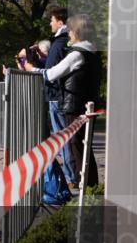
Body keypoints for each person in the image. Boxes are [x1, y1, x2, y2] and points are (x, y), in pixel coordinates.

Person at [26, 15, 102, 188]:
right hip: (87, 105)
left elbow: (51, 74)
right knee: (85, 149)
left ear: (77, 31)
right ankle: (91, 188)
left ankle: (86, 188)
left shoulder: (77, 54)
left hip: (75, 106)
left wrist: (32, 69)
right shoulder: (93, 52)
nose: (69, 34)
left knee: (77, 149)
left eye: (70, 31)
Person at [42, 8, 74, 183]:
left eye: (52, 20)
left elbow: (51, 71)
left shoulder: (60, 42)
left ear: (60, 22)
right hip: (57, 95)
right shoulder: (62, 42)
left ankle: (71, 176)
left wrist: (32, 68)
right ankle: (71, 174)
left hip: (57, 96)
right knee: (62, 137)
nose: (50, 23)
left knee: (62, 138)